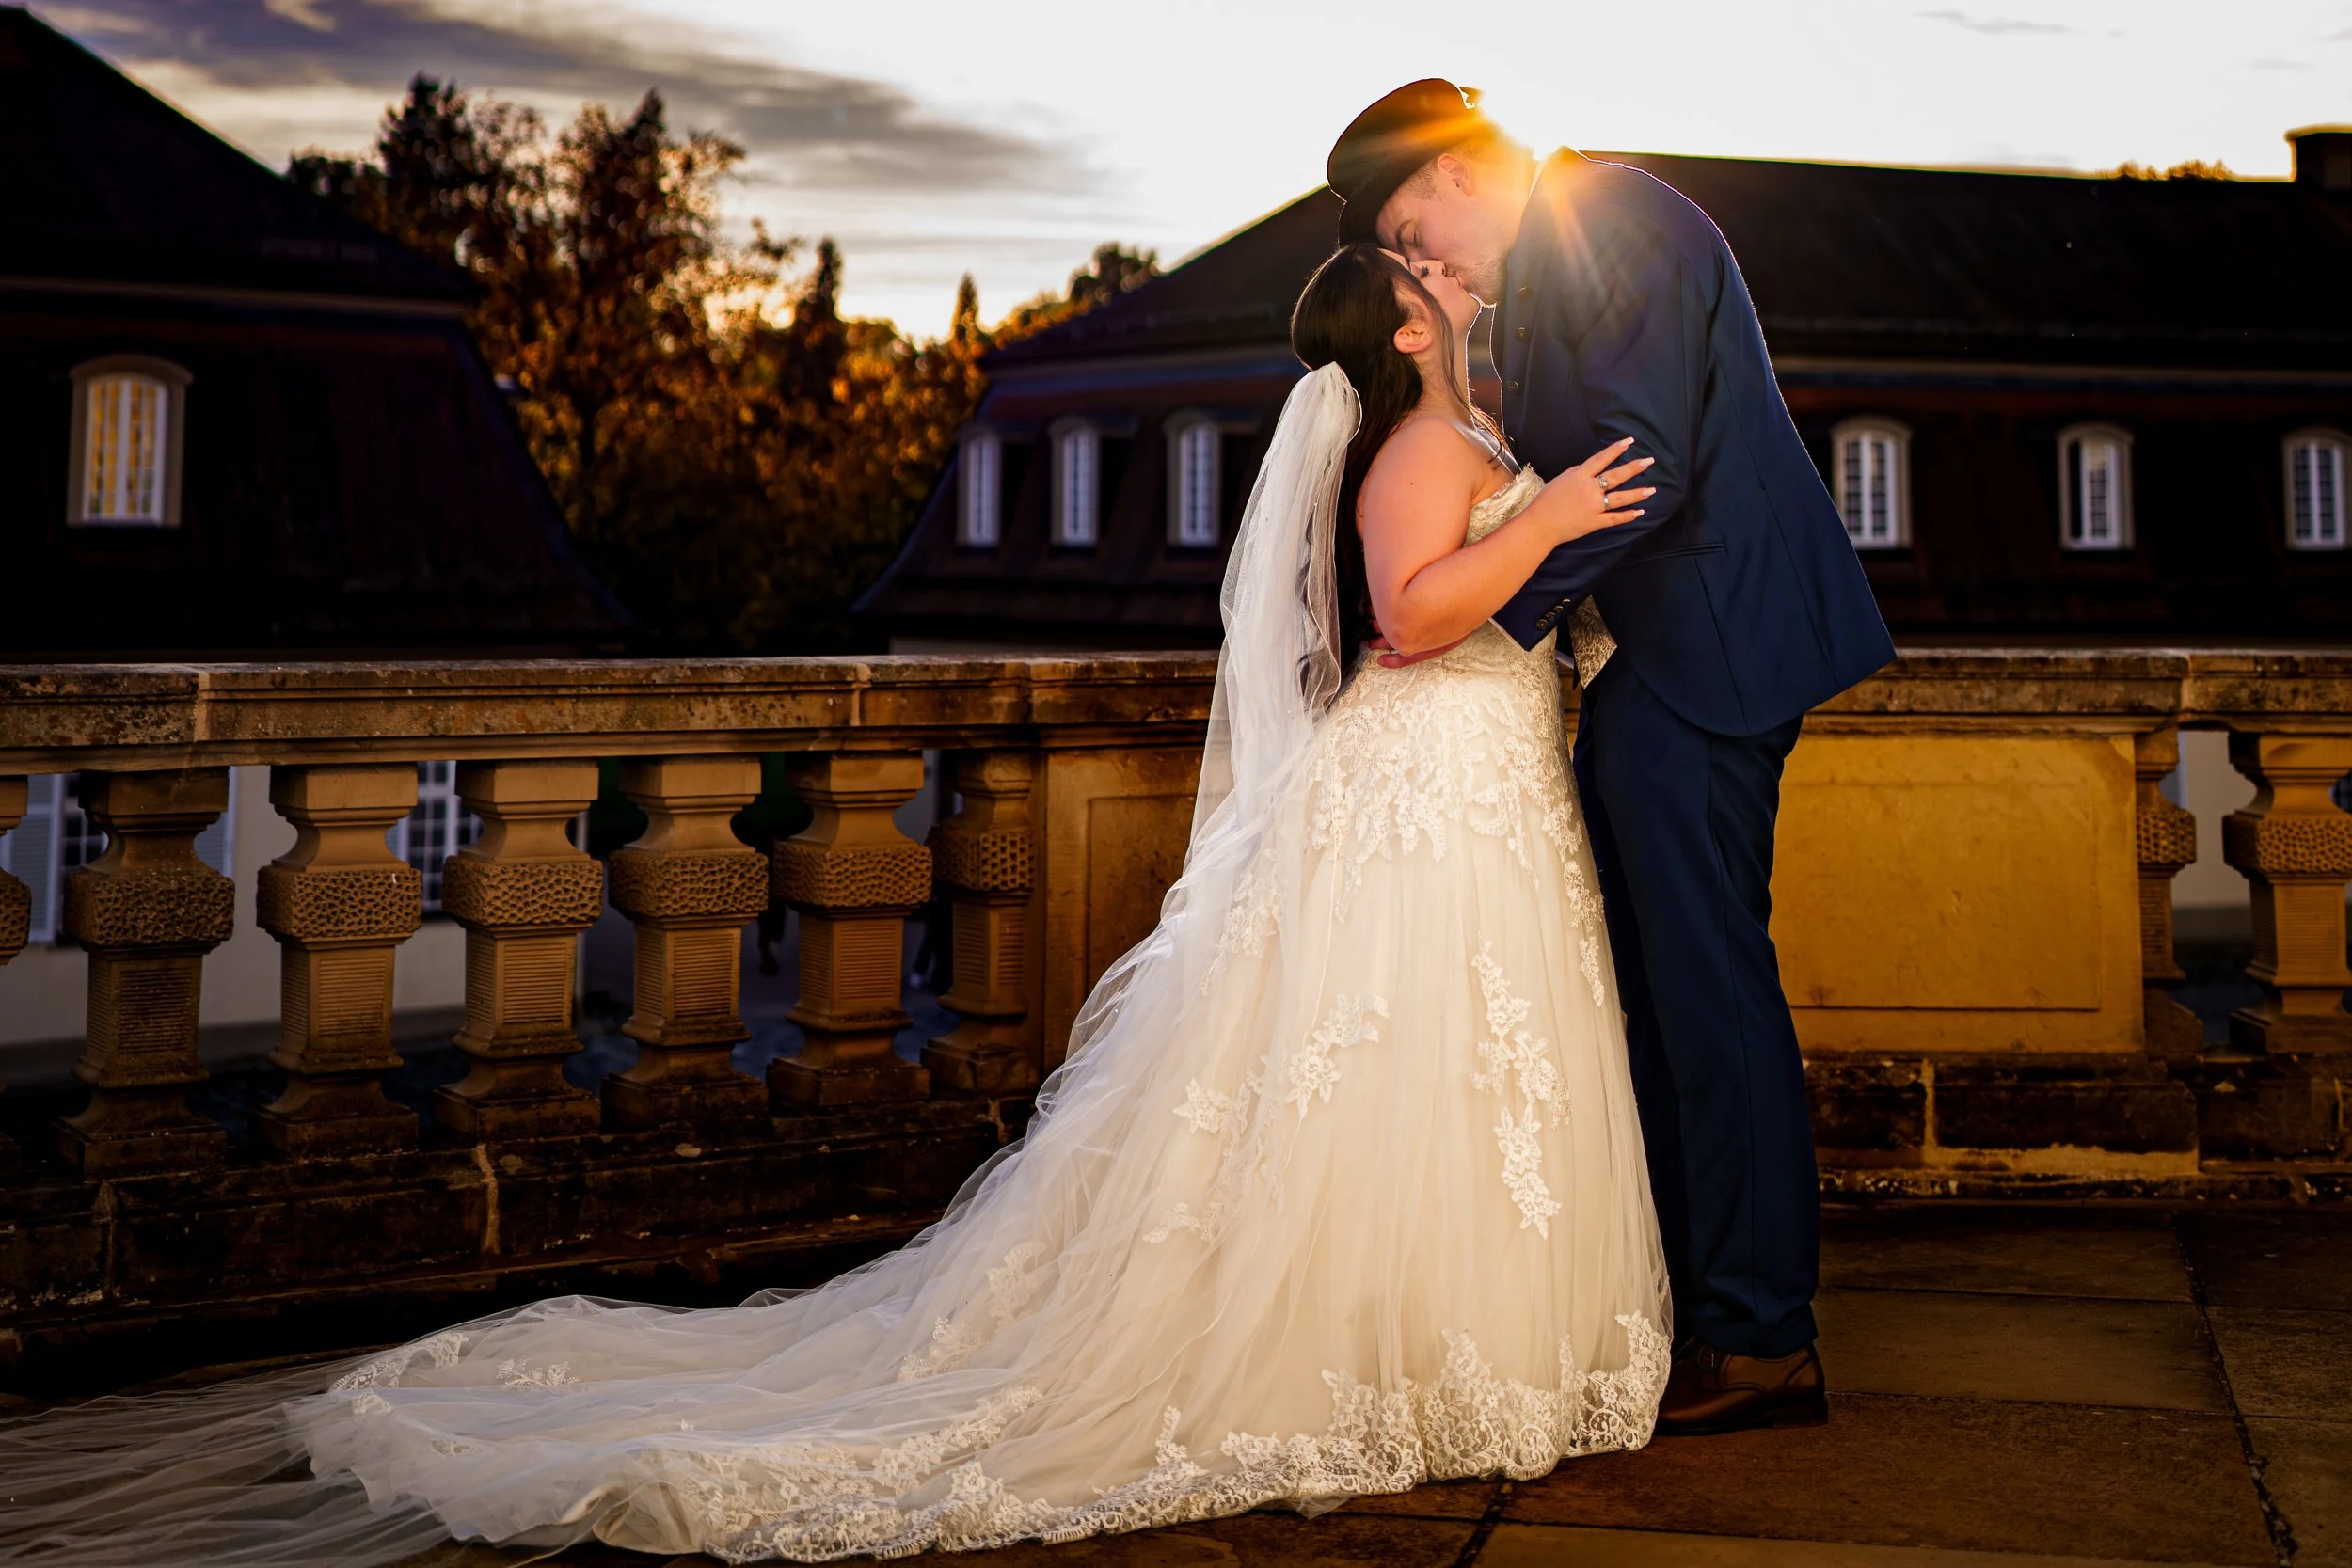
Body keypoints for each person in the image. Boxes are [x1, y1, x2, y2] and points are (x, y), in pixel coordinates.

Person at [2, 249, 1669, 1564]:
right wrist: (1559, 530)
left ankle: (1417, 1339)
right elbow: (1405, 614)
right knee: (1390, 1073)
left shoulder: (1467, 427)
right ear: (1397, 332)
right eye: (1426, 279)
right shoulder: (1421, 440)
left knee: (1435, 1083)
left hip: (1468, 799)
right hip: (1421, 791)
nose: (1454, 281)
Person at [1327, 79, 1897, 1436]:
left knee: (1708, 995)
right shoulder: (1570, 251)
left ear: (1464, 173)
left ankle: (1759, 1334)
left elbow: (1641, 462)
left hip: (1713, 658)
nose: (1430, 264)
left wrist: (1475, 620)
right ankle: (1712, 1310)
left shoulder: (1614, 222)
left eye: (1418, 228)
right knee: (1659, 986)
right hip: (1676, 660)